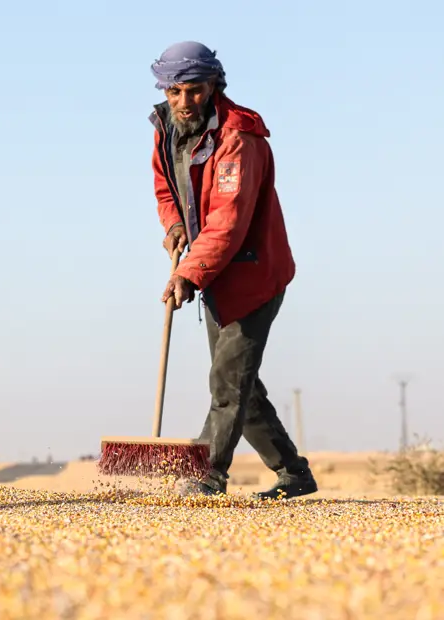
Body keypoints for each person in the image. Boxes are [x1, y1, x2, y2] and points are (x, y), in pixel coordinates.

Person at [147, 41, 317, 500]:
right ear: (165, 90)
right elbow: (166, 188)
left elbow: (229, 219)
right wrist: (175, 223)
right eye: (176, 92)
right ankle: (294, 473)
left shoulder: (237, 137)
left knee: (227, 379)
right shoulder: (167, 130)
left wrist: (188, 273)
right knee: (240, 383)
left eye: (196, 91)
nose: (185, 103)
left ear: (215, 85)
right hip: (215, 274)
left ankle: (207, 474)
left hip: (255, 274)